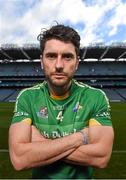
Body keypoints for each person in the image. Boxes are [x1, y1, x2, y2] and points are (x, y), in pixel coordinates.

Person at [9, 24, 114, 179]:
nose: (58, 65)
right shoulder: (27, 97)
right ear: (41, 61)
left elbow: (100, 158)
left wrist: (40, 144)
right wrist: (81, 137)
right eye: (51, 56)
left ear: (77, 63)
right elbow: (19, 159)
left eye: (67, 56)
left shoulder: (96, 97)